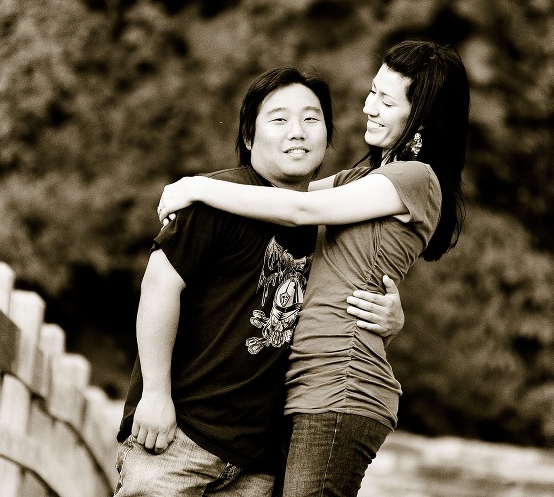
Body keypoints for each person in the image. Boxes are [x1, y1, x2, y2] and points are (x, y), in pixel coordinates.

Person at [157, 40, 470, 496]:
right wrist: (202, 197)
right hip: (311, 386)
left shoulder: (415, 178)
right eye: (371, 92)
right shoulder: (360, 179)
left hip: (343, 387)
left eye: (385, 99)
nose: (368, 107)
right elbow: (278, 188)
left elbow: (299, 211)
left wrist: (194, 188)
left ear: (419, 117)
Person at [115, 67, 404, 496]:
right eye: (279, 119)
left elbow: (339, 306)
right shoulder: (214, 200)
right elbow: (159, 287)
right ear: (249, 137)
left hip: (260, 462)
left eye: (311, 119)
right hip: (178, 439)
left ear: (328, 136)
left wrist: (391, 317)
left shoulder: (326, 220)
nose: (298, 133)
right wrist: (155, 395)